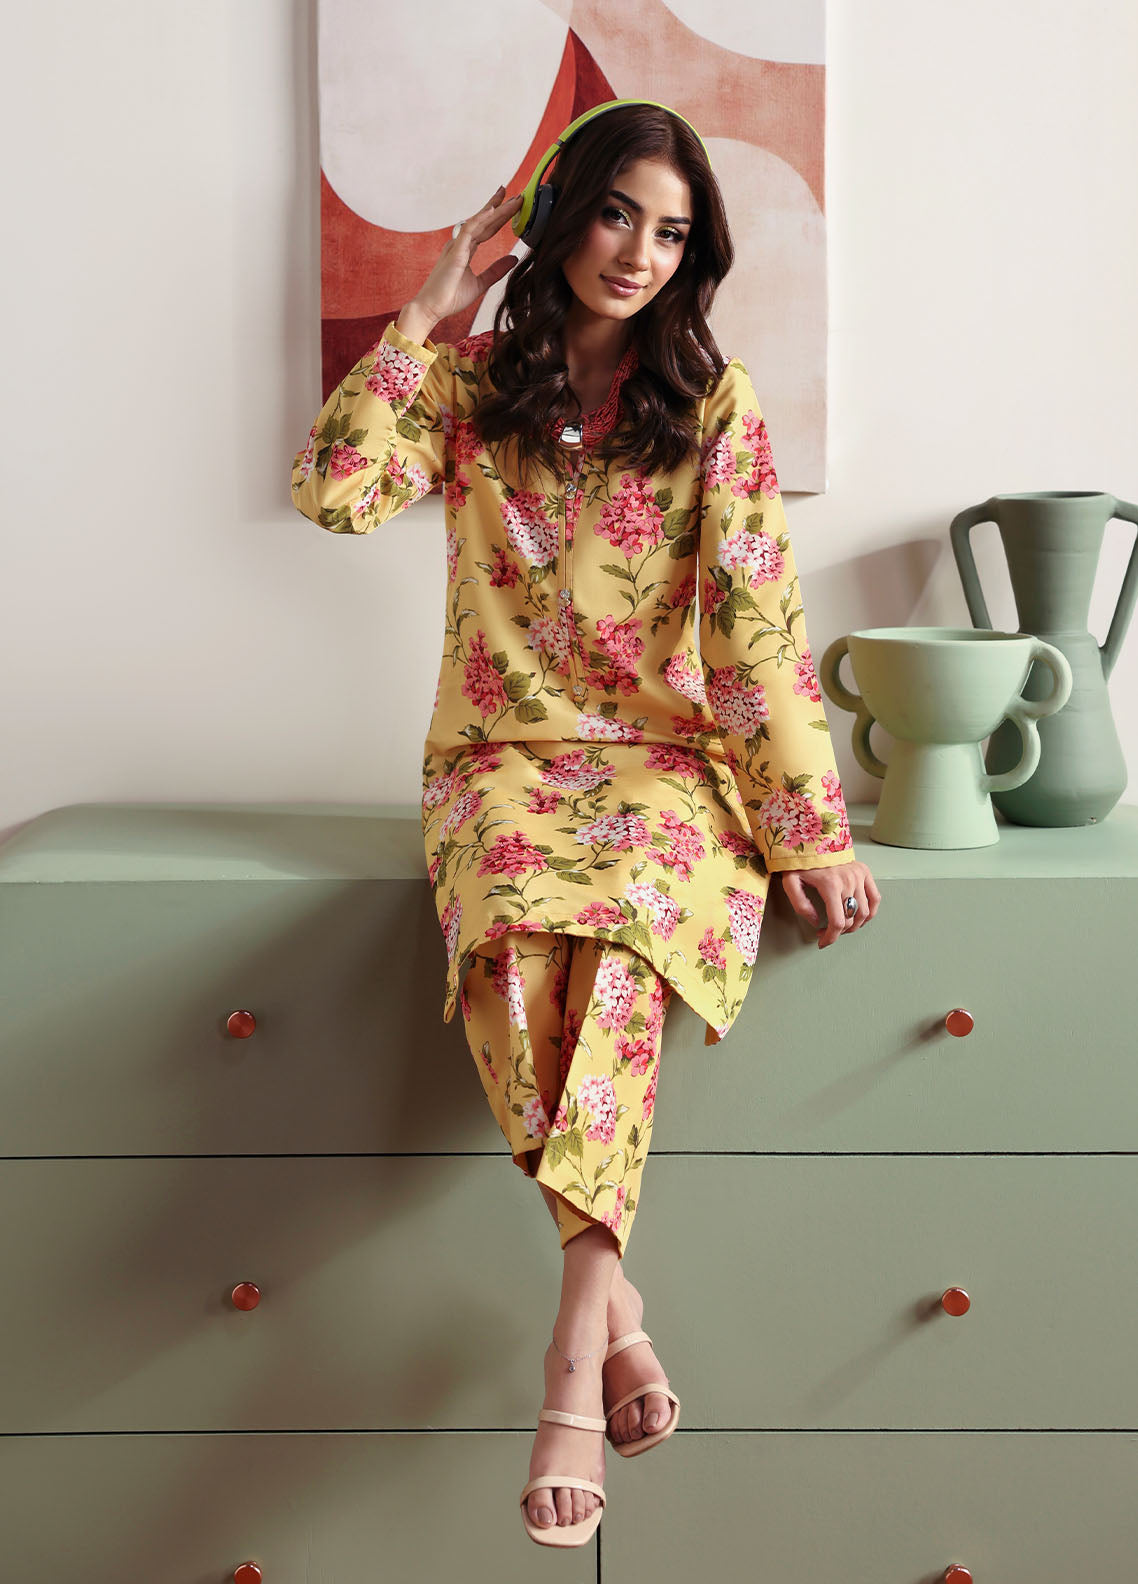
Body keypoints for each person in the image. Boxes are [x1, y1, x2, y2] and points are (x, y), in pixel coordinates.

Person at [291, 99, 881, 1548]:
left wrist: (808, 826)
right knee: (510, 933)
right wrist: (426, 308)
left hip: (667, 769)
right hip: (496, 760)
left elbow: (754, 623)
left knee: (619, 942)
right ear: (563, 216)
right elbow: (333, 494)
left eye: (671, 232)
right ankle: (616, 1309)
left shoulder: (714, 407)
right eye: (617, 212)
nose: (637, 252)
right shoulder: (465, 389)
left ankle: (572, 1346)